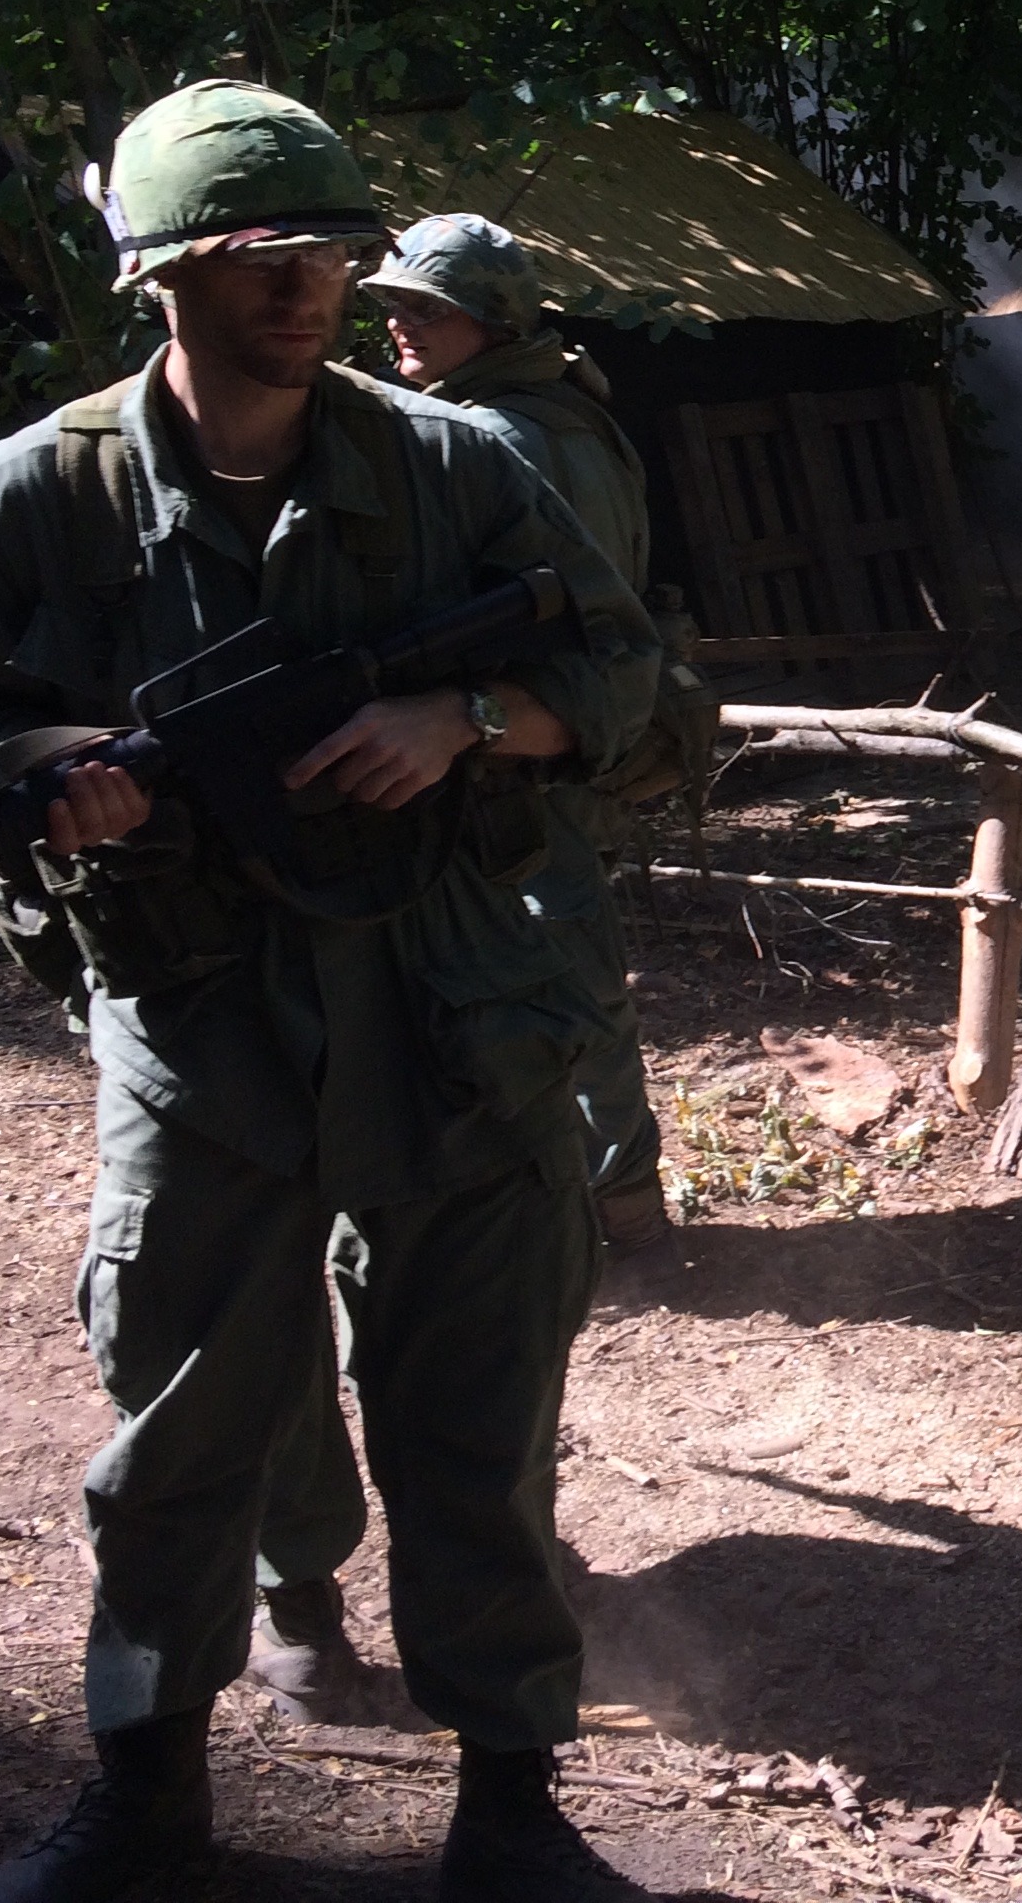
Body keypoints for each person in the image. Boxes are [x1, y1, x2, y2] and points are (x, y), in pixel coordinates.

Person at [0, 80, 663, 1901]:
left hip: (458, 1006)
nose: (305, 288)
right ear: (161, 275)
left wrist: (463, 716)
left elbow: (635, 685)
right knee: (178, 1432)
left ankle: (511, 1806)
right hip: (203, 1021)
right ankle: (144, 1796)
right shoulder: (48, 490)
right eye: (258, 258)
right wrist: (63, 783)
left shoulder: (457, 465)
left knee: (478, 1426)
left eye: (329, 253)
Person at [236, 211, 681, 1732]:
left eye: (428, 309)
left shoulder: (490, 443)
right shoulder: (552, 418)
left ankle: (479, 1585)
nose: (396, 327)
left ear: (495, 317)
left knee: (499, 1170)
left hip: (478, 827)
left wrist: (466, 717)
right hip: (418, 847)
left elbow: (595, 653)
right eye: (396, 306)